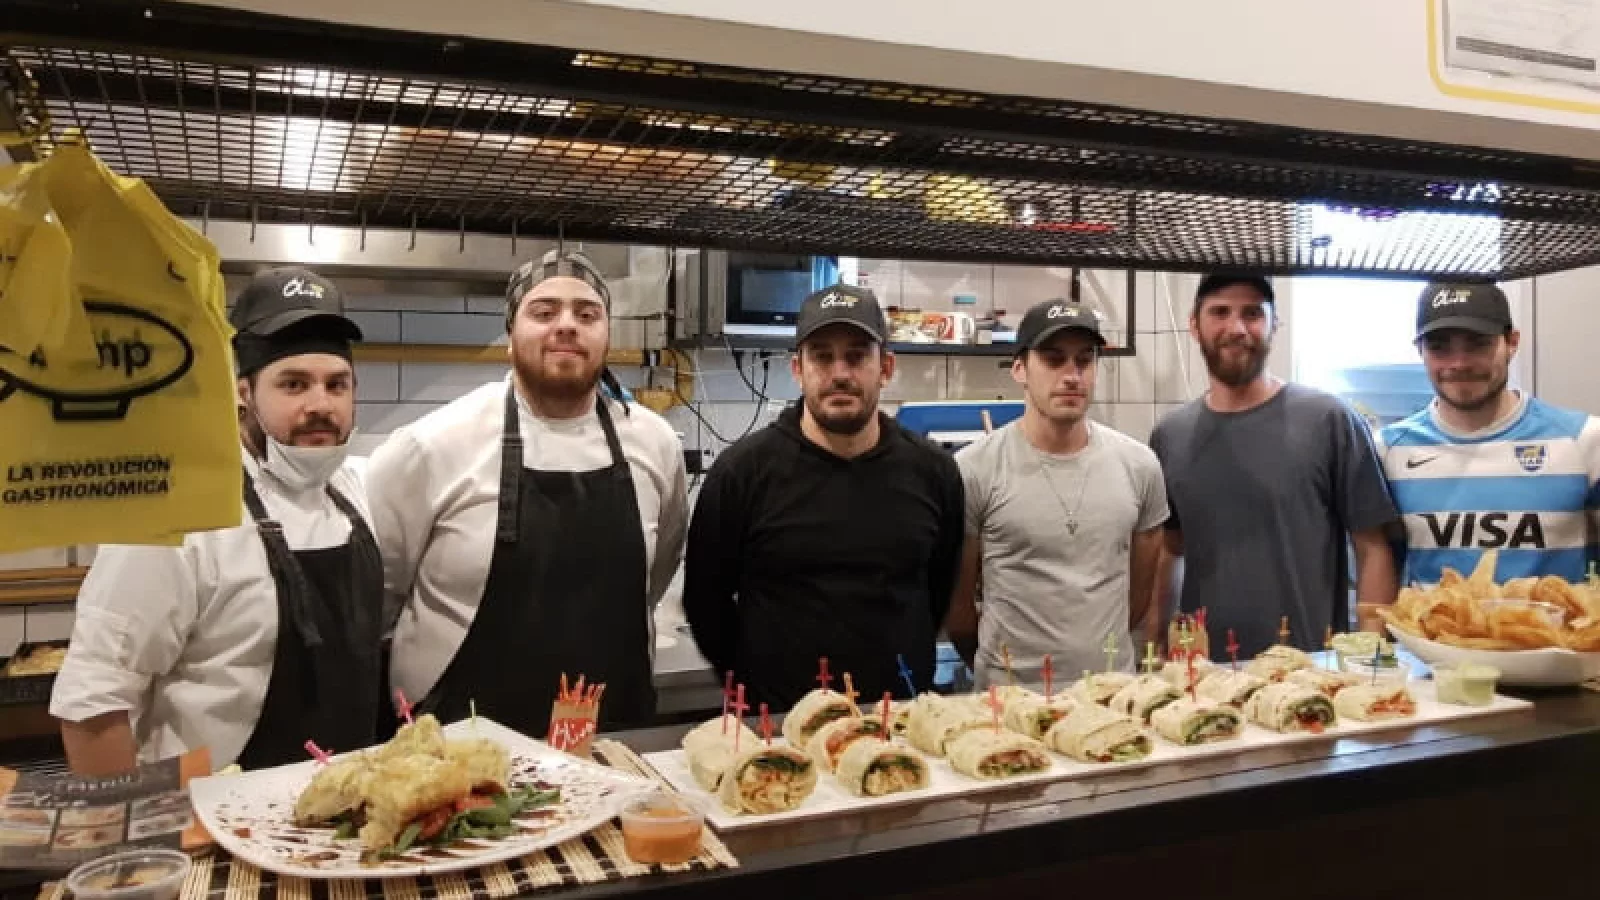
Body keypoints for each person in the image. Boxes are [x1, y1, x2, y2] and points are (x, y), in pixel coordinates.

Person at [52, 267, 387, 774]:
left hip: (349, 808)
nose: (320, 405)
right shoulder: (178, 514)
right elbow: (93, 701)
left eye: (336, 384)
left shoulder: (356, 492)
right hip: (212, 812)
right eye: (293, 384)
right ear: (243, 392)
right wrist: (131, 822)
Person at [368, 249, 687, 734]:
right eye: (543, 312)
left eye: (587, 314)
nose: (567, 325)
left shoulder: (655, 442)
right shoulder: (432, 446)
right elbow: (379, 594)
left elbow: (659, 568)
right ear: (510, 336)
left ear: (607, 336)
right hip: (463, 742)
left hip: (612, 733)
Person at [683, 284, 965, 711]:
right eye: (822, 357)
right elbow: (705, 602)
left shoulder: (934, 472)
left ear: (886, 367)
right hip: (778, 726)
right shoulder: (742, 473)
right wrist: (754, 690)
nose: (840, 373)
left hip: (899, 723)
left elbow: (939, 589)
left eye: (856, 356)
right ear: (798, 369)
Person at [1149, 274, 1399, 657]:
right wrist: (1152, 646)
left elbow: (1373, 547)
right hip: (1206, 674)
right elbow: (1169, 551)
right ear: (1194, 326)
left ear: (1274, 326)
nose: (1237, 328)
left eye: (1252, 314)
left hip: (1310, 671)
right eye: (1220, 312)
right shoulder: (1171, 436)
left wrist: (1370, 654)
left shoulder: (1328, 421)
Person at [947, 300, 1168, 686]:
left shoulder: (1139, 466)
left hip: (1109, 695)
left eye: (1084, 360)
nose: (1072, 376)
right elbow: (960, 613)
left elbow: (1138, 598)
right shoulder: (974, 469)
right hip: (1010, 700)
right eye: (1053, 360)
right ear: (1019, 368)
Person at [1377, 281, 1600, 585]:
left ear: (1512, 342)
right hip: (1430, 619)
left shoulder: (1585, 440)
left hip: (1551, 618)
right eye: (1439, 347)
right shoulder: (1387, 451)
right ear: (1420, 351)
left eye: (1478, 344)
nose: (1459, 363)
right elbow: (1382, 569)